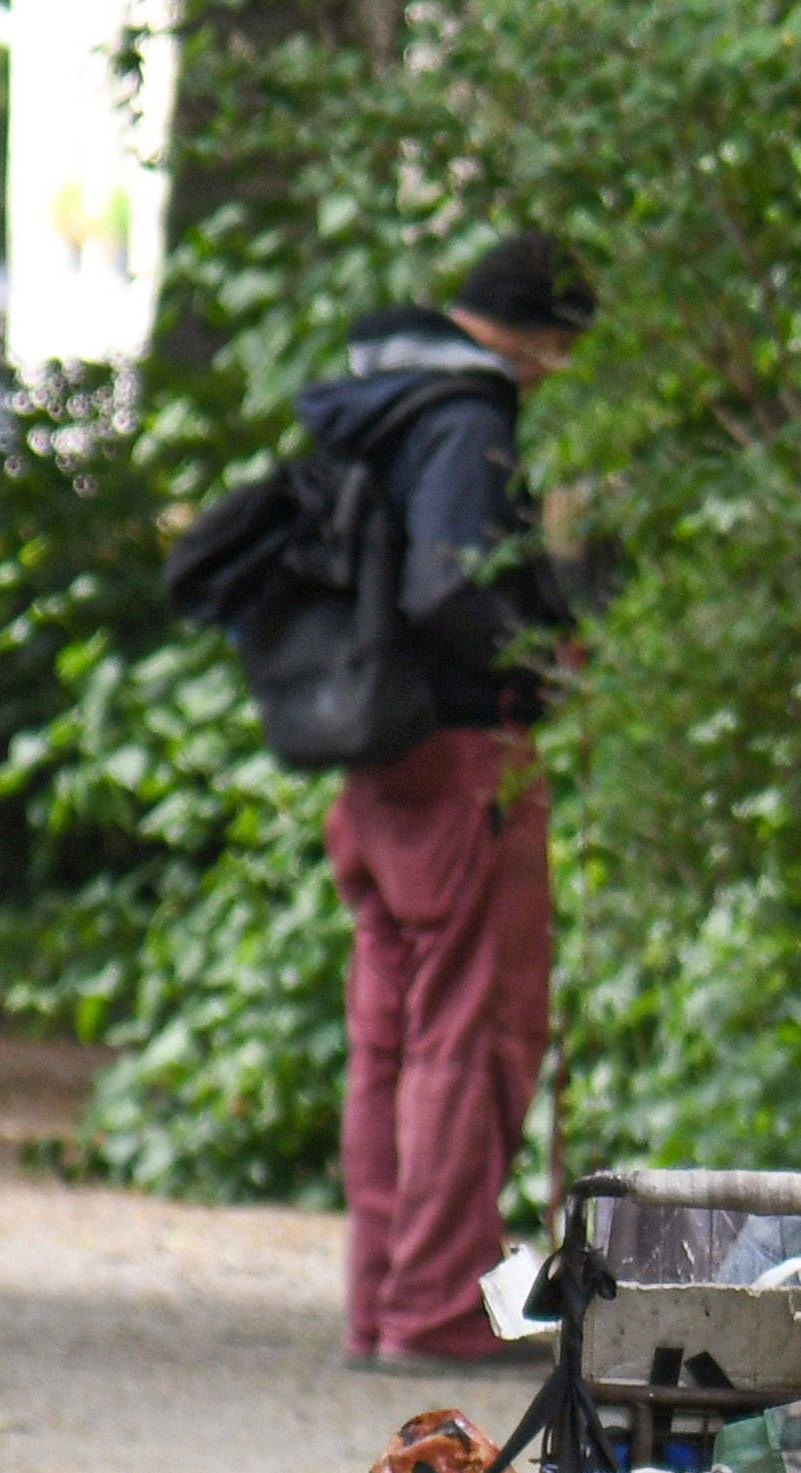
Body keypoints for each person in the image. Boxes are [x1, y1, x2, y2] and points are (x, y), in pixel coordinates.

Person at [297, 232, 594, 1371]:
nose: (555, 372)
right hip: (468, 758)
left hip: (375, 764)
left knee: (389, 1039)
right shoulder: (469, 420)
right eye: (560, 346)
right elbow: (446, 582)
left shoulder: (379, 406)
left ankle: (383, 1302)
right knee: (470, 1040)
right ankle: (434, 1311)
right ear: (532, 332)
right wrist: (544, 662)